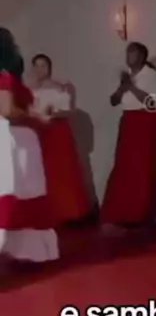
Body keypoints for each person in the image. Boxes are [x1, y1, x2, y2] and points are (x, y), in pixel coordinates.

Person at [0, 29, 58, 265]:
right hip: (14, 139)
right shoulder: (4, 76)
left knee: (22, 191)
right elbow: (6, 110)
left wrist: (36, 114)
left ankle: (24, 250)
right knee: (18, 190)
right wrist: (34, 116)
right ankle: (28, 250)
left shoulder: (9, 78)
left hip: (20, 138)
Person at [101, 42, 156, 228]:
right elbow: (113, 101)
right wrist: (123, 86)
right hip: (128, 121)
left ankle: (141, 213)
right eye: (127, 53)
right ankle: (123, 212)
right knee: (124, 166)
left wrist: (131, 87)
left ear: (142, 56)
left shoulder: (152, 76)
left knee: (142, 167)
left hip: (144, 122)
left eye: (133, 53)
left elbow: (153, 103)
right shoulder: (128, 76)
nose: (128, 57)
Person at [29, 54, 93, 226]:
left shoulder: (61, 87)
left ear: (49, 67)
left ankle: (68, 212)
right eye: (37, 66)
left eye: (43, 65)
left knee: (62, 171)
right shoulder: (29, 90)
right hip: (39, 132)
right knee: (42, 172)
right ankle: (46, 212)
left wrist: (54, 113)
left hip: (58, 131)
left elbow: (69, 111)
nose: (40, 69)